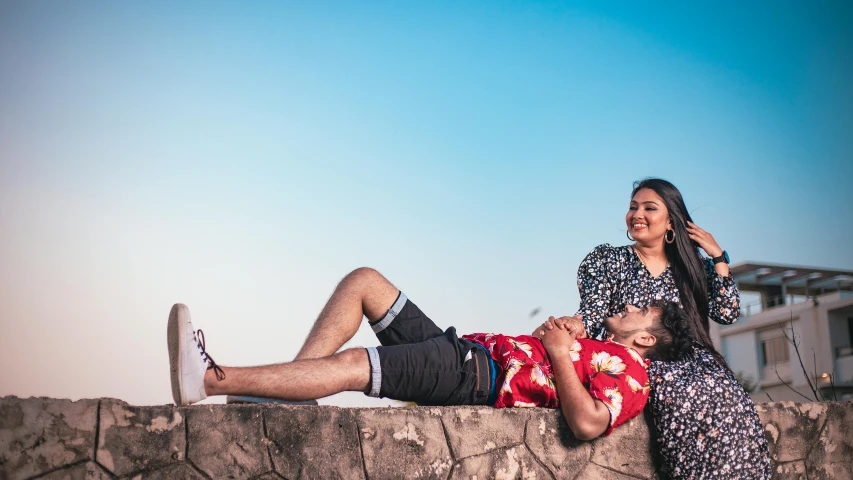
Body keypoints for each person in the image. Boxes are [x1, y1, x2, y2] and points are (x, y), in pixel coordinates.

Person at [168, 267, 693, 440]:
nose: (631, 303)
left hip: (475, 377)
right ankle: (295, 397)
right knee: (365, 282)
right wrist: (551, 334)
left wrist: (558, 350)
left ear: (648, 338)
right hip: (463, 349)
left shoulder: (635, 377)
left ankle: (209, 380)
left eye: (643, 308)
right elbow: (545, 360)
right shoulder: (600, 346)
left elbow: (587, 422)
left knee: (355, 364)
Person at [571, 178, 771, 478]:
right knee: (685, 396)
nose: (637, 214)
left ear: (670, 222)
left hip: (698, 364)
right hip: (638, 360)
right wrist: (573, 326)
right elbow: (592, 312)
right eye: (633, 207)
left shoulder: (691, 267)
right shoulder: (610, 260)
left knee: (731, 398)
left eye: (649, 208)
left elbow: (727, 314)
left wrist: (718, 257)